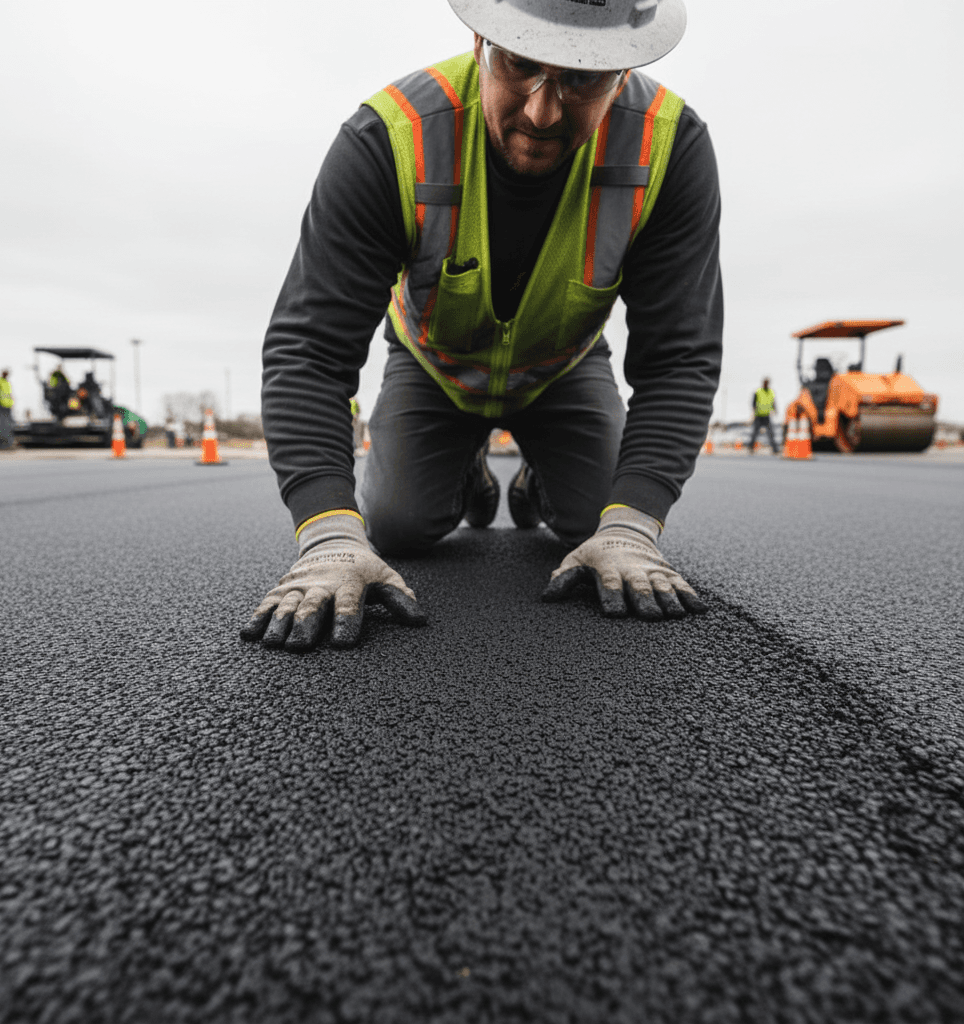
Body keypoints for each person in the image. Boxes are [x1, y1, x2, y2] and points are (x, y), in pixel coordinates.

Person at [242, 0, 722, 652]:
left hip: (564, 368)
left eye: (582, 78)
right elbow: (310, 349)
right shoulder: (390, 137)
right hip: (435, 366)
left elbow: (679, 358)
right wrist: (326, 535)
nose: (542, 111)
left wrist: (632, 527)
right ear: (480, 40)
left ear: (624, 68)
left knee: (597, 525)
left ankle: (538, 476)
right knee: (395, 524)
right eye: (522, 65)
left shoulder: (671, 147)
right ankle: (466, 467)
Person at [749, 377, 779, 455]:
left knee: (771, 433)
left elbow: (773, 402)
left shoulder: (771, 392)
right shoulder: (758, 392)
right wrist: (754, 411)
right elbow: (753, 403)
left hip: (766, 415)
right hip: (758, 415)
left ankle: (775, 449)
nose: (766, 384)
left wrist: (775, 410)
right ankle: (750, 448)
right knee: (755, 433)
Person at [0, 368, 14, 450]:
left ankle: (8, 444)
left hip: (7, 407)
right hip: (0, 407)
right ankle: (1, 444)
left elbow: (8, 394)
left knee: (9, 426)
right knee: (2, 425)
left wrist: (11, 405)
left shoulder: (7, 382)